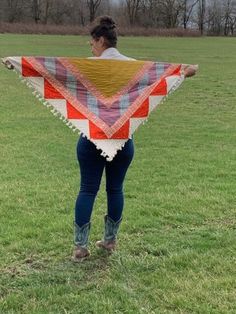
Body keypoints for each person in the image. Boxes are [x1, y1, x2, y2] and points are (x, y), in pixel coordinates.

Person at [72, 16, 136, 262]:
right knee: (115, 189)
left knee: (87, 189)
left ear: (100, 40)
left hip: (91, 138)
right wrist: (185, 71)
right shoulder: (132, 66)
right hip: (122, 138)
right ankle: (109, 241)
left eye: (92, 42)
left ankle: (80, 247)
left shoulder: (87, 67)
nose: (90, 47)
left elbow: (51, 71)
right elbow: (160, 74)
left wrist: (19, 64)